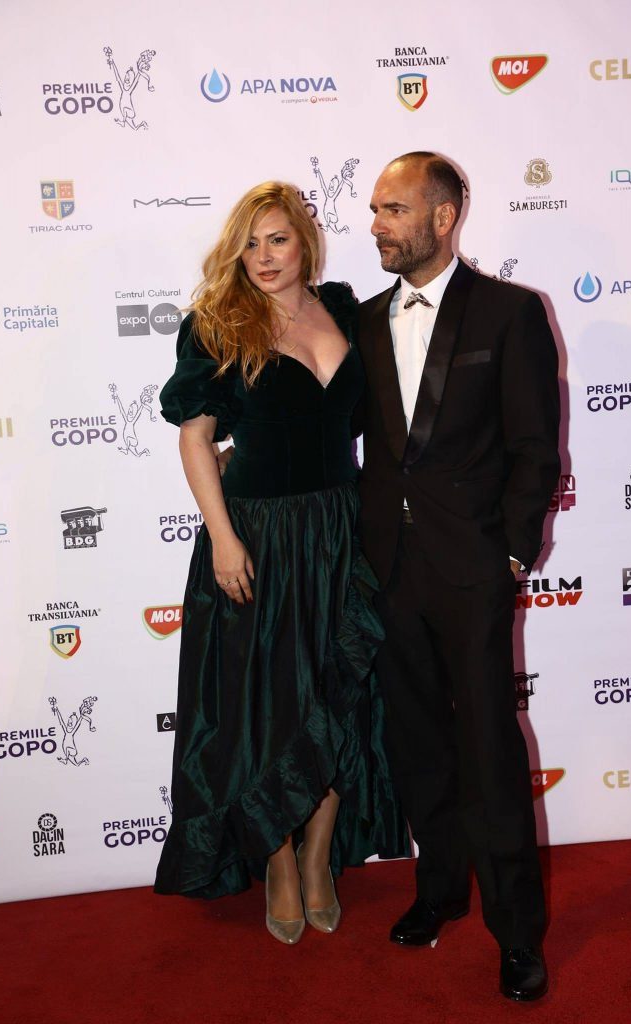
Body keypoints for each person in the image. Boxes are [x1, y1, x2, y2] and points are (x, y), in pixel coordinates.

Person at [154, 182, 409, 944]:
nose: (262, 257)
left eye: (277, 239)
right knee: (264, 708)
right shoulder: (218, 323)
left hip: (339, 530)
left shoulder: (344, 309)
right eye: (249, 243)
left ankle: (319, 854)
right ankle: (276, 862)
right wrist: (223, 537)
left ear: (305, 241)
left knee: (337, 697)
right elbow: (196, 439)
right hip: (258, 538)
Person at [355, 152, 560, 1000]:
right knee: (416, 744)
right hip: (389, 570)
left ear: (443, 217)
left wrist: (511, 553)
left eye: (394, 210)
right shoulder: (362, 322)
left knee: (487, 749)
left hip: (472, 569)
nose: (376, 224)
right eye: (375, 209)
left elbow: (534, 447)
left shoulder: (509, 312)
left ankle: (516, 933)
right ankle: (438, 889)